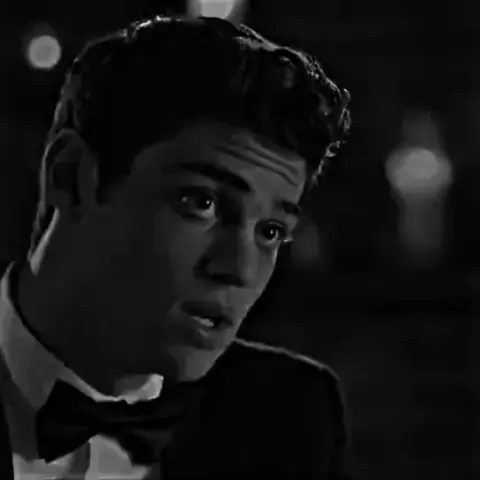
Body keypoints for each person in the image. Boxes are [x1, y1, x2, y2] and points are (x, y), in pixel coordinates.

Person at [0, 14, 353, 480]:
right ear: (70, 177)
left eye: (270, 231)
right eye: (201, 202)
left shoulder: (289, 415)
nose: (239, 268)